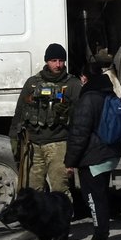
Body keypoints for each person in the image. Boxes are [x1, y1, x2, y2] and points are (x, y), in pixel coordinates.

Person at [64, 53, 121, 240]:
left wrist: (70, 161)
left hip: (93, 157)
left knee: (94, 199)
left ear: (83, 78)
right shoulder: (109, 93)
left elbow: (79, 133)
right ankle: (101, 237)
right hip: (108, 153)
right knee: (101, 197)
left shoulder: (88, 98)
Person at [9, 44, 75, 193]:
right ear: (46, 61)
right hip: (34, 145)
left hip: (59, 144)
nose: (57, 64)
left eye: (61, 60)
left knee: (60, 189)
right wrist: (14, 138)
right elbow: (19, 112)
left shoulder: (72, 84)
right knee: (33, 190)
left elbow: (81, 119)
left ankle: (64, 216)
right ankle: (38, 217)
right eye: (53, 60)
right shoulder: (32, 83)